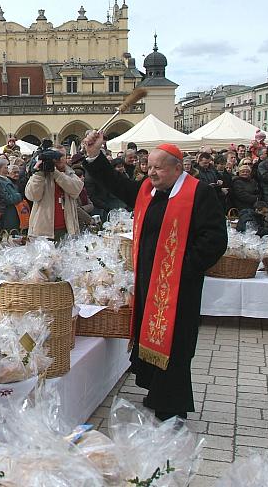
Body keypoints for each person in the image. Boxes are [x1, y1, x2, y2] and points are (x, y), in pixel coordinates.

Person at [82, 131, 227, 421]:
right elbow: (117, 184)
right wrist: (95, 155)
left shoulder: (199, 193)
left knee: (175, 344)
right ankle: (157, 392)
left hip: (180, 286)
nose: (151, 172)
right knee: (151, 337)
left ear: (177, 168)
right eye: (148, 166)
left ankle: (172, 407)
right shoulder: (148, 190)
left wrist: (182, 267)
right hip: (149, 281)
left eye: (158, 168)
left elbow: (214, 240)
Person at [25, 147, 83, 241]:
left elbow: (76, 190)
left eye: (62, 156)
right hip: (43, 231)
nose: (59, 158)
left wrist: (55, 173)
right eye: (55, 156)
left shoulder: (70, 173)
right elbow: (32, 196)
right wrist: (39, 173)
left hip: (67, 229)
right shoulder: (40, 174)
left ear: (66, 157)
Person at [0, 158, 23, 231]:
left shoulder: (6, 179)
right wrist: (19, 196)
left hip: (14, 211)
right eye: (5, 168)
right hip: (7, 213)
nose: (7, 169)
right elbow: (7, 198)